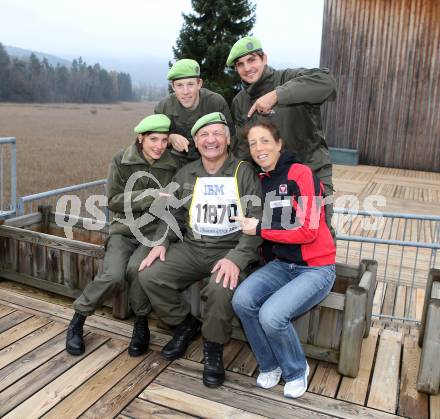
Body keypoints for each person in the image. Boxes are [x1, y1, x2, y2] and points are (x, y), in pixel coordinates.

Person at [132, 112, 263, 388]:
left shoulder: (243, 171)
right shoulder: (186, 173)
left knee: (219, 288)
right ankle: (185, 324)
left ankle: (213, 347)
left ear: (227, 140)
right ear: (195, 141)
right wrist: (162, 242)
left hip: (229, 248)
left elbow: (256, 222)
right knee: (149, 274)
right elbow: (173, 215)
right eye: (203, 135)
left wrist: (237, 259)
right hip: (192, 246)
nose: (210, 140)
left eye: (217, 134)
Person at [231, 121, 336, 398]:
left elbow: (308, 230)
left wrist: (260, 228)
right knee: (242, 299)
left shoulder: (301, 173)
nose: (259, 148)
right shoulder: (262, 181)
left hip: (316, 268)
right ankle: (270, 364)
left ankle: (296, 369)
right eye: (253, 143)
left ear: (279, 144)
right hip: (282, 265)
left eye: (265, 140)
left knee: (272, 315)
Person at [66, 114, 178, 357]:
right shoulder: (121, 160)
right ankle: (78, 319)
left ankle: (140, 325)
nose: (159, 146)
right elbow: (114, 201)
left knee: (138, 269)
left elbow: (172, 208)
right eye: (154, 139)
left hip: (153, 232)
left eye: (164, 140)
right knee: (114, 275)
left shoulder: (173, 165)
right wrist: (151, 196)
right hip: (123, 231)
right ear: (141, 138)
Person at [226, 36, 337, 235]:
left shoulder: (289, 78)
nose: (247, 68)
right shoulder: (240, 102)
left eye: (252, 60)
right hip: (270, 180)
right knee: (276, 234)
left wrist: (277, 95)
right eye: (240, 64)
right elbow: (243, 150)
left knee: (318, 231)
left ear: (264, 59)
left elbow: (326, 82)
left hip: (311, 170)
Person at [155, 58, 236, 169]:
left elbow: (231, 138)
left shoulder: (215, 103)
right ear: (173, 87)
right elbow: (153, 140)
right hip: (175, 162)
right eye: (179, 85)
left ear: (199, 84)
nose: (185, 91)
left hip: (212, 160)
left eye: (190, 84)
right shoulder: (164, 107)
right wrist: (170, 138)